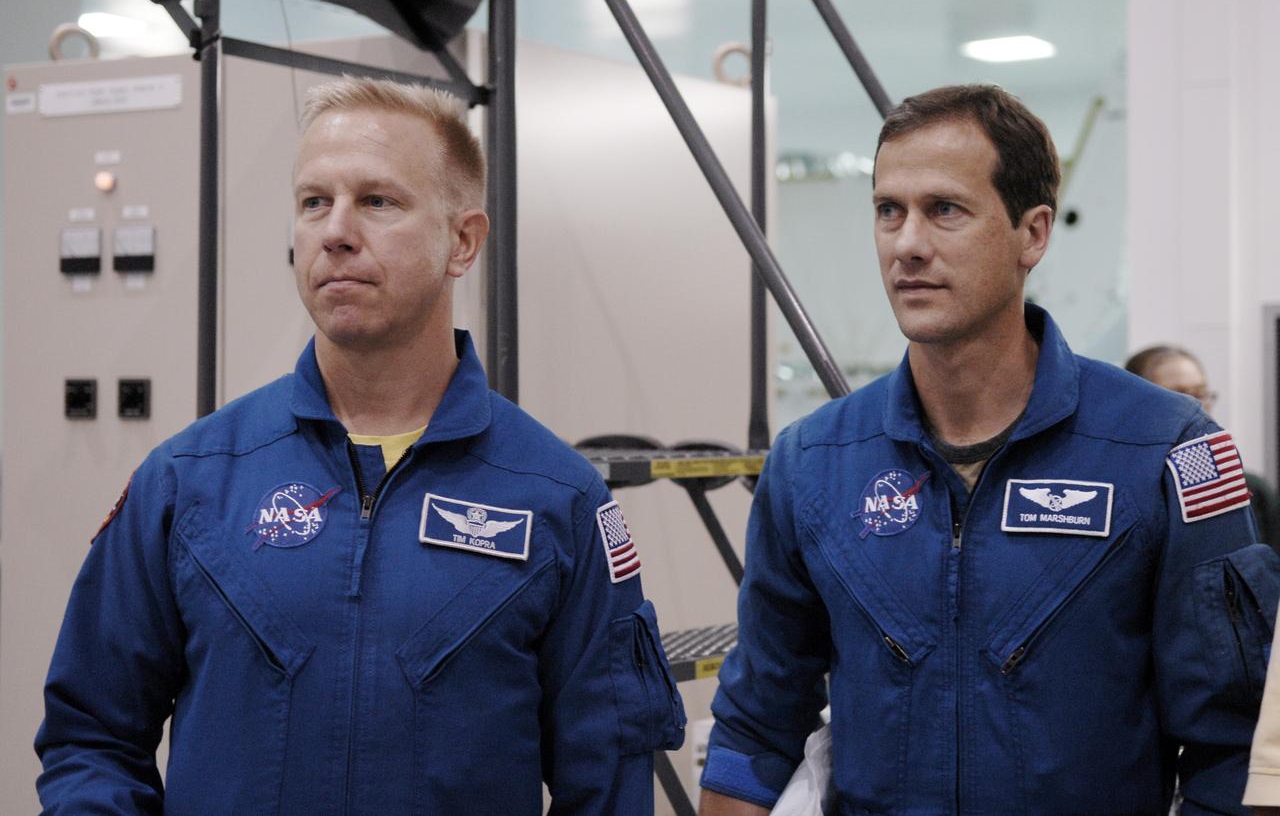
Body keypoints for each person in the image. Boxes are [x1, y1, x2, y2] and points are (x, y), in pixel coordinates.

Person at [35, 76, 685, 813]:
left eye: (377, 201)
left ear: (463, 241)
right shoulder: (190, 482)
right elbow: (91, 737)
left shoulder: (556, 500)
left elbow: (606, 782)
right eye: (314, 202)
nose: (335, 231)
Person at [697, 84, 1278, 814]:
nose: (907, 244)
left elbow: (1235, 747)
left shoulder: (1166, 447)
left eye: (945, 209)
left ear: (1032, 234)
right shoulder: (813, 462)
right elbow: (757, 725)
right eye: (888, 211)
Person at [1125, 344, 1280, 554]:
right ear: (1139, 403)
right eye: (1179, 395)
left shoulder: (1250, 489)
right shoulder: (1125, 490)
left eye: (1201, 393)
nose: (1197, 407)